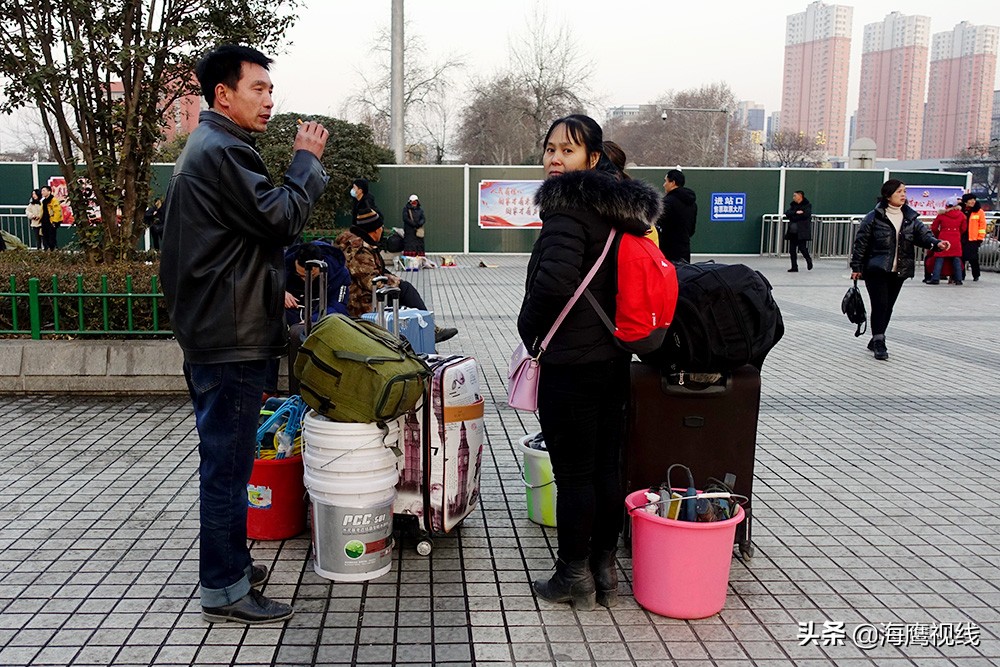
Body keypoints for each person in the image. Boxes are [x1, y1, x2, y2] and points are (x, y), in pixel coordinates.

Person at [158, 44, 330, 625]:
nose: (269, 99)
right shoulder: (224, 150)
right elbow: (279, 217)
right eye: (257, 88)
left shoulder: (212, 148)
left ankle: (229, 563)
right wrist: (305, 162)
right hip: (227, 339)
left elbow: (223, 248)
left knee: (228, 461)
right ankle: (225, 588)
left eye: (269, 88)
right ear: (222, 95)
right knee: (228, 467)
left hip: (222, 326)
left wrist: (264, 289)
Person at [517, 114, 662, 610]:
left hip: (572, 365)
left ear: (592, 159)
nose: (555, 159)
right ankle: (604, 568)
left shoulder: (566, 210)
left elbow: (554, 282)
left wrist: (527, 329)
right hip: (613, 361)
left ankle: (572, 577)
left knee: (575, 475)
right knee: (606, 468)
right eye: (550, 149)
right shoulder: (619, 212)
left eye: (568, 151)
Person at [850, 180, 949, 361]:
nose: (903, 195)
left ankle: (876, 337)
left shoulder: (910, 218)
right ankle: (880, 341)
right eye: (899, 192)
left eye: (904, 192)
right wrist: (856, 266)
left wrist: (937, 244)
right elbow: (861, 243)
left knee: (888, 306)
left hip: (899, 270)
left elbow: (924, 235)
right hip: (877, 269)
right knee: (880, 305)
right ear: (888, 195)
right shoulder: (873, 217)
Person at [334, 206, 458, 343]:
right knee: (404, 289)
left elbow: (375, 271)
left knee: (403, 289)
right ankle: (430, 331)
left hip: (360, 296)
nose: (382, 230)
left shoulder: (355, 243)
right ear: (374, 230)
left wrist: (392, 278)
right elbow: (373, 282)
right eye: (381, 227)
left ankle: (428, 330)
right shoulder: (359, 251)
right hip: (359, 302)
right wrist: (395, 281)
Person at [281, 240, 351, 394]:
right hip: (292, 314)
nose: (305, 279)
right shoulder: (284, 267)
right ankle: (269, 388)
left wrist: (314, 318)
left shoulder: (339, 273)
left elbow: (339, 306)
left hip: (321, 315)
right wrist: (281, 293)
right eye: (300, 276)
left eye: (311, 275)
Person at [654, 168, 696, 263]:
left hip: (668, 251)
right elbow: (691, 229)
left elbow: (659, 227)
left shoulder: (667, 203)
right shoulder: (692, 203)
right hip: (685, 249)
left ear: (672, 183)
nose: (664, 185)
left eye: (666, 181)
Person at [927, 196, 967, 285]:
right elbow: (964, 228)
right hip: (956, 238)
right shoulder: (961, 215)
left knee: (939, 258)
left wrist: (938, 235)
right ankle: (958, 279)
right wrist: (957, 233)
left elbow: (934, 227)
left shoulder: (941, 215)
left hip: (943, 237)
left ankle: (935, 278)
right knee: (956, 259)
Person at [784, 190, 813, 272]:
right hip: (792, 231)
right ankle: (794, 267)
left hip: (802, 231)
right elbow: (788, 213)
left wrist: (794, 216)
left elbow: (806, 215)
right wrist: (796, 213)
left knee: (802, 248)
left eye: (795, 196)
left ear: (800, 196)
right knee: (792, 250)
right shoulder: (793, 205)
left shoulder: (807, 205)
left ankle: (808, 260)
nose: (793, 197)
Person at [960, 193, 987, 282]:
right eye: (970, 200)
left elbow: (982, 226)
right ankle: (961, 275)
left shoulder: (979, 211)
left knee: (973, 258)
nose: (973, 201)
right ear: (965, 201)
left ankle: (976, 275)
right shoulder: (960, 210)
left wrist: (980, 238)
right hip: (962, 238)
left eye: (974, 200)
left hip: (973, 238)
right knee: (961, 257)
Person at [39, 185, 62, 251]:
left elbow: (57, 211)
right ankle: (47, 250)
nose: (42, 192)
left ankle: (54, 250)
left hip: (51, 222)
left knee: (52, 237)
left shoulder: (54, 200)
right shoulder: (43, 201)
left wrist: (55, 222)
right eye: (42, 191)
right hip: (44, 221)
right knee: (45, 237)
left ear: (49, 192)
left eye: (44, 191)